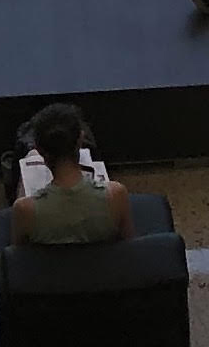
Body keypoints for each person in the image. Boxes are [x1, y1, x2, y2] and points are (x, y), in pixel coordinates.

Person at [11, 103, 130, 246]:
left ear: (39, 150)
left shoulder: (24, 210)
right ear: (80, 140)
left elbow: (18, 256)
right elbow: (127, 247)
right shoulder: (117, 195)